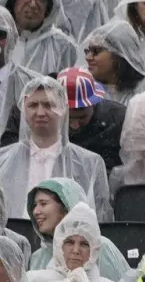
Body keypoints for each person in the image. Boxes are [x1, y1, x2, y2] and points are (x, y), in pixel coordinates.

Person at [0, 76, 108, 223]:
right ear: (23, 109)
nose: (40, 112)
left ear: (63, 109)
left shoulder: (90, 163)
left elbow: (102, 221)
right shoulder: (3, 160)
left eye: (48, 105)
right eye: (33, 105)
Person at [22, 205, 120, 282]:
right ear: (59, 245)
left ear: (94, 250)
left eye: (84, 244)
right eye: (69, 242)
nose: (76, 250)